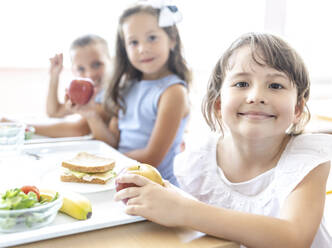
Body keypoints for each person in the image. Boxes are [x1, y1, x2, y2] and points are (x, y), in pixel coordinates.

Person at [114, 33, 332, 248]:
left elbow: (293, 238)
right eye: (241, 84)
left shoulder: (307, 160)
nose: (256, 96)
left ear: (297, 109)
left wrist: (184, 209)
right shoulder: (199, 160)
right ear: (218, 105)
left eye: (275, 85)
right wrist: (163, 201)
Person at [74, 2, 191, 185]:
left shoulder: (173, 92)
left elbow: (151, 158)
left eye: (152, 38)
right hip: (120, 177)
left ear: (172, 39)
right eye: (133, 42)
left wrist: (100, 163)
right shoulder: (126, 86)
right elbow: (112, 143)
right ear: (124, 49)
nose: (142, 48)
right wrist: (91, 115)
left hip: (156, 189)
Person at [1, 35, 112, 138]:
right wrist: (54, 76)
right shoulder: (90, 93)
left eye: (97, 64)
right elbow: (54, 112)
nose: (90, 74)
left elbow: (78, 129)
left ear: (112, 61)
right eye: (81, 69)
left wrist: (18, 126)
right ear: (73, 70)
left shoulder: (112, 93)